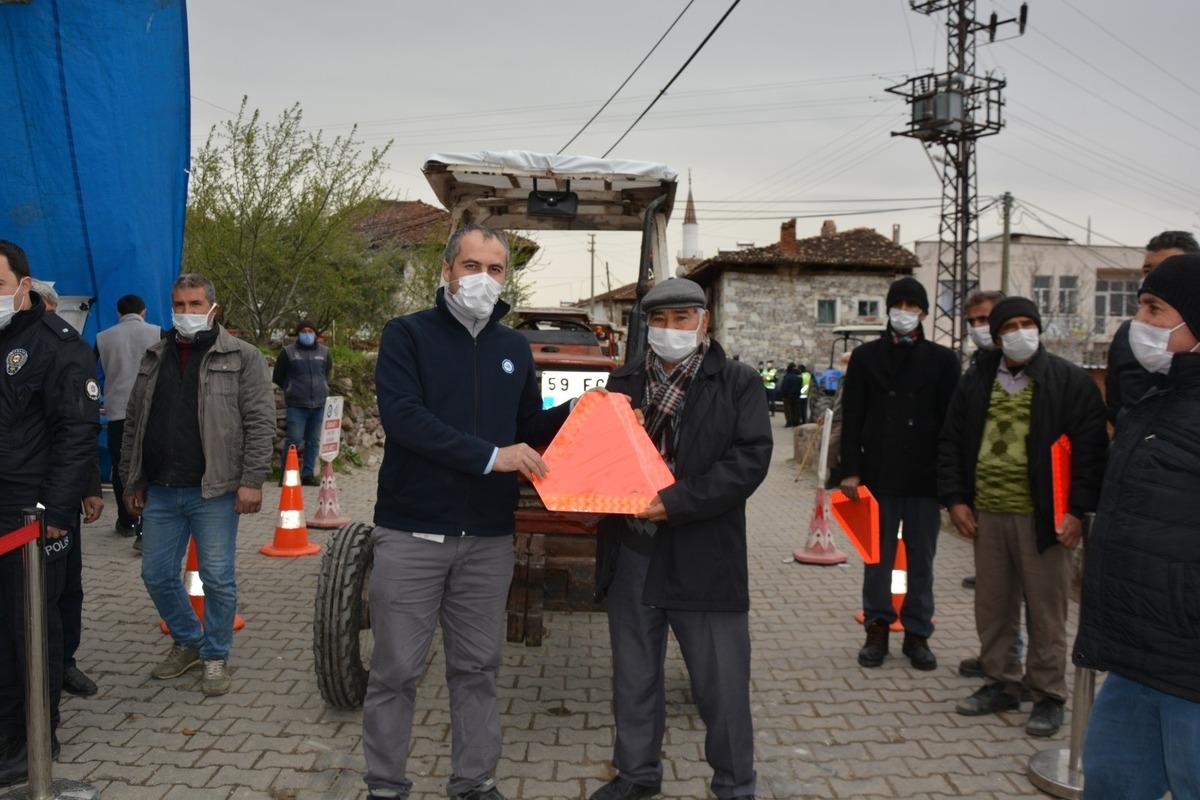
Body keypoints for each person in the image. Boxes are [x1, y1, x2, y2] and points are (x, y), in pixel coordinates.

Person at [364, 224, 573, 800]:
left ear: (508, 277)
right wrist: (490, 457)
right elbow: (406, 420)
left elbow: (528, 430)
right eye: (471, 265)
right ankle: (385, 785)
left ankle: (474, 781)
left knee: (477, 668)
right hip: (412, 533)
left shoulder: (513, 349)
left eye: (496, 268)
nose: (483, 278)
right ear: (447, 270)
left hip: (486, 538)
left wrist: (583, 410)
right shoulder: (407, 336)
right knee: (396, 671)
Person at [589, 278, 772, 800]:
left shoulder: (737, 382)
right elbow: (598, 456)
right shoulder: (623, 383)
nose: (670, 330)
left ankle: (735, 785)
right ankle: (637, 775)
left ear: (704, 321)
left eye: (682, 319)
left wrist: (677, 502)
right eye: (660, 321)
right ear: (646, 325)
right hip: (634, 551)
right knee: (635, 678)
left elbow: (749, 461)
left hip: (702, 554)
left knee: (722, 685)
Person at [939, 297, 1107, 737]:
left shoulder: (1069, 382)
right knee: (993, 606)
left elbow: (1090, 453)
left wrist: (1075, 512)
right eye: (1009, 325)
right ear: (996, 336)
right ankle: (1001, 682)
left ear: (1039, 327)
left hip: (1045, 517)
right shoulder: (976, 381)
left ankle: (1048, 693)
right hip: (988, 514)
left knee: (1047, 609)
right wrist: (956, 499)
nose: (1019, 332)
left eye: (1026, 323)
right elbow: (951, 442)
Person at [1074, 254, 1200, 797]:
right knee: (1109, 782)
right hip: (1133, 655)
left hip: (1189, 665)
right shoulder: (1156, 401)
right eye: (1139, 307)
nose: (1138, 324)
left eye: (1155, 309)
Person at [120, 273, 274, 697]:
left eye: (194, 304)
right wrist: (132, 479)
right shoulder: (155, 355)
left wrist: (252, 481)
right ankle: (188, 640)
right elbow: (135, 421)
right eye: (179, 305)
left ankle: (216, 655)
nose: (186, 313)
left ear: (213, 308)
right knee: (155, 573)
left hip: (216, 491)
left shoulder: (243, 356)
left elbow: (261, 422)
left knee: (218, 578)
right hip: (162, 490)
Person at [0, 241, 99, 788]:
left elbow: (77, 431)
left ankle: (35, 738)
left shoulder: (56, 344)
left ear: (23, 284)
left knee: (29, 628)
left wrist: (56, 509)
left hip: (28, 516)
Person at [839, 277, 960, 672]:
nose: (904, 312)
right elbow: (852, 417)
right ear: (888, 309)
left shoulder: (943, 361)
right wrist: (851, 472)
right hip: (879, 475)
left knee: (922, 561)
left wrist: (950, 484)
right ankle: (877, 629)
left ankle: (917, 633)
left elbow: (951, 426)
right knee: (878, 559)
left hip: (924, 481)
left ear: (924, 312)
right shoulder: (865, 358)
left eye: (912, 305)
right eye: (899, 304)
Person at [30, 280, 104, 699]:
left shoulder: (67, 351)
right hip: (23, 496)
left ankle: (64, 664)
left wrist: (89, 488)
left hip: (59, 499)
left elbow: (77, 431)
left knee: (65, 589)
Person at [1105, 230, 1198, 428]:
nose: (1155, 277)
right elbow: (1115, 404)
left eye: (1168, 266)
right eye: (1148, 270)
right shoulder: (1128, 334)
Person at [96, 294, 161, 549]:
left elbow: (90, 371)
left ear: (118, 313)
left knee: (122, 466)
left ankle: (125, 520)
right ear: (143, 312)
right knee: (150, 467)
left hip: (117, 411)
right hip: (152, 410)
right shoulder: (158, 333)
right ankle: (147, 527)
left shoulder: (104, 337)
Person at [273, 319, 331, 485]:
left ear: (316, 334)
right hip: (297, 405)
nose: (307, 334)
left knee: (313, 441)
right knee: (294, 440)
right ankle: (286, 476)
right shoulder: (288, 352)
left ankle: (308, 475)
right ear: (298, 334)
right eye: (304, 331)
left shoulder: (325, 352)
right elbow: (278, 376)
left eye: (310, 331)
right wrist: (290, 388)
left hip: (319, 404)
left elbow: (326, 373)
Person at [778, 362, 802, 427]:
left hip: (787, 397)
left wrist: (783, 395)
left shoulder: (786, 377)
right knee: (795, 410)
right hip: (795, 396)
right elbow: (799, 387)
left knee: (787, 411)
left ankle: (789, 422)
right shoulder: (798, 377)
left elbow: (784, 387)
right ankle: (795, 422)